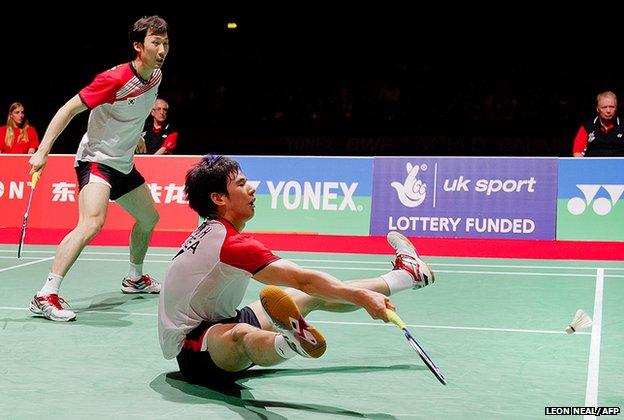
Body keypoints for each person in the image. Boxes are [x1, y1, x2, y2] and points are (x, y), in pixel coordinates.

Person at [158, 155, 436, 383]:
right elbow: (303, 279)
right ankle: (287, 343)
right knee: (243, 334)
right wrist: (362, 298)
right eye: (242, 184)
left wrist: (358, 296)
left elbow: (308, 286)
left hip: (223, 318)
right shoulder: (229, 243)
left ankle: (408, 274)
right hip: (194, 347)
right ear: (219, 198)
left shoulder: (213, 233)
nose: (252, 188)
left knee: (307, 298)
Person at [27, 15, 170, 322]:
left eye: (166, 43)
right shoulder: (114, 78)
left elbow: (134, 110)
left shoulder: (155, 76)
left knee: (149, 218)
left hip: (123, 163)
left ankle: (134, 278)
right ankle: (45, 294)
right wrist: (42, 151)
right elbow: (69, 109)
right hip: (97, 160)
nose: (162, 49)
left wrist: (139, 137)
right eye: (155, 43)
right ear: (138, 46)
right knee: (92, 222)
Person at [572, 91, 624, 157]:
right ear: (598, 109)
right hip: (592, 166)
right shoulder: (586, 127)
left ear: (616, 108)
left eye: (611, 107)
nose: (608, 111)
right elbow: (577, 152)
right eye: (604, 107)